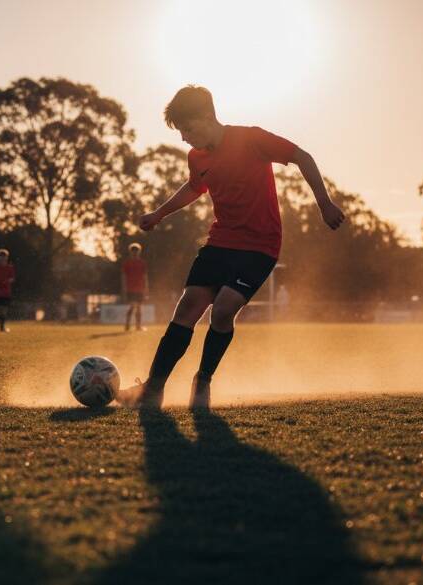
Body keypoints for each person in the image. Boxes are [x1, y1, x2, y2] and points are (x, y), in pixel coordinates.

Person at [117, 85, 345, 409]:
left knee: (223, 309)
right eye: (180, 132)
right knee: (188, 307)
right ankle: (152, 389)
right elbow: (195, 187)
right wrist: (159, 213)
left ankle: (203, 382)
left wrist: (324, 203)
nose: (184, 138)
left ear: (208, 117)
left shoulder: (252, 139)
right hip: (221, 240)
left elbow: (301, 156)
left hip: (260, 246)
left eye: (188, 129)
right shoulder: (196, 157)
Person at [122, 243, 149, 331]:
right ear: (131, 252)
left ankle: (135, 325)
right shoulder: (127, 263)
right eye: (134, 252)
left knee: (138, 307)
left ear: (139, 252)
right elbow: (124, 277)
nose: (135, 253)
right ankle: (131, 325)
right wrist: (124, 288)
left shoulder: (142, 263)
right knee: (134, 306)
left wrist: (146, 288)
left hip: (140, 288)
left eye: (136, 251)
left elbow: (145, 276)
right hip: (131, 288)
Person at [0, 249, 15, 332]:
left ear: (7, 257)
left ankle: (2, 327)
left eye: (4, 257)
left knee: (4, 310)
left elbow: (12, 278)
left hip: (6, 292)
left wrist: (7, 281)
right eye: (1, 257)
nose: (3, 258)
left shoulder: (10, 267)